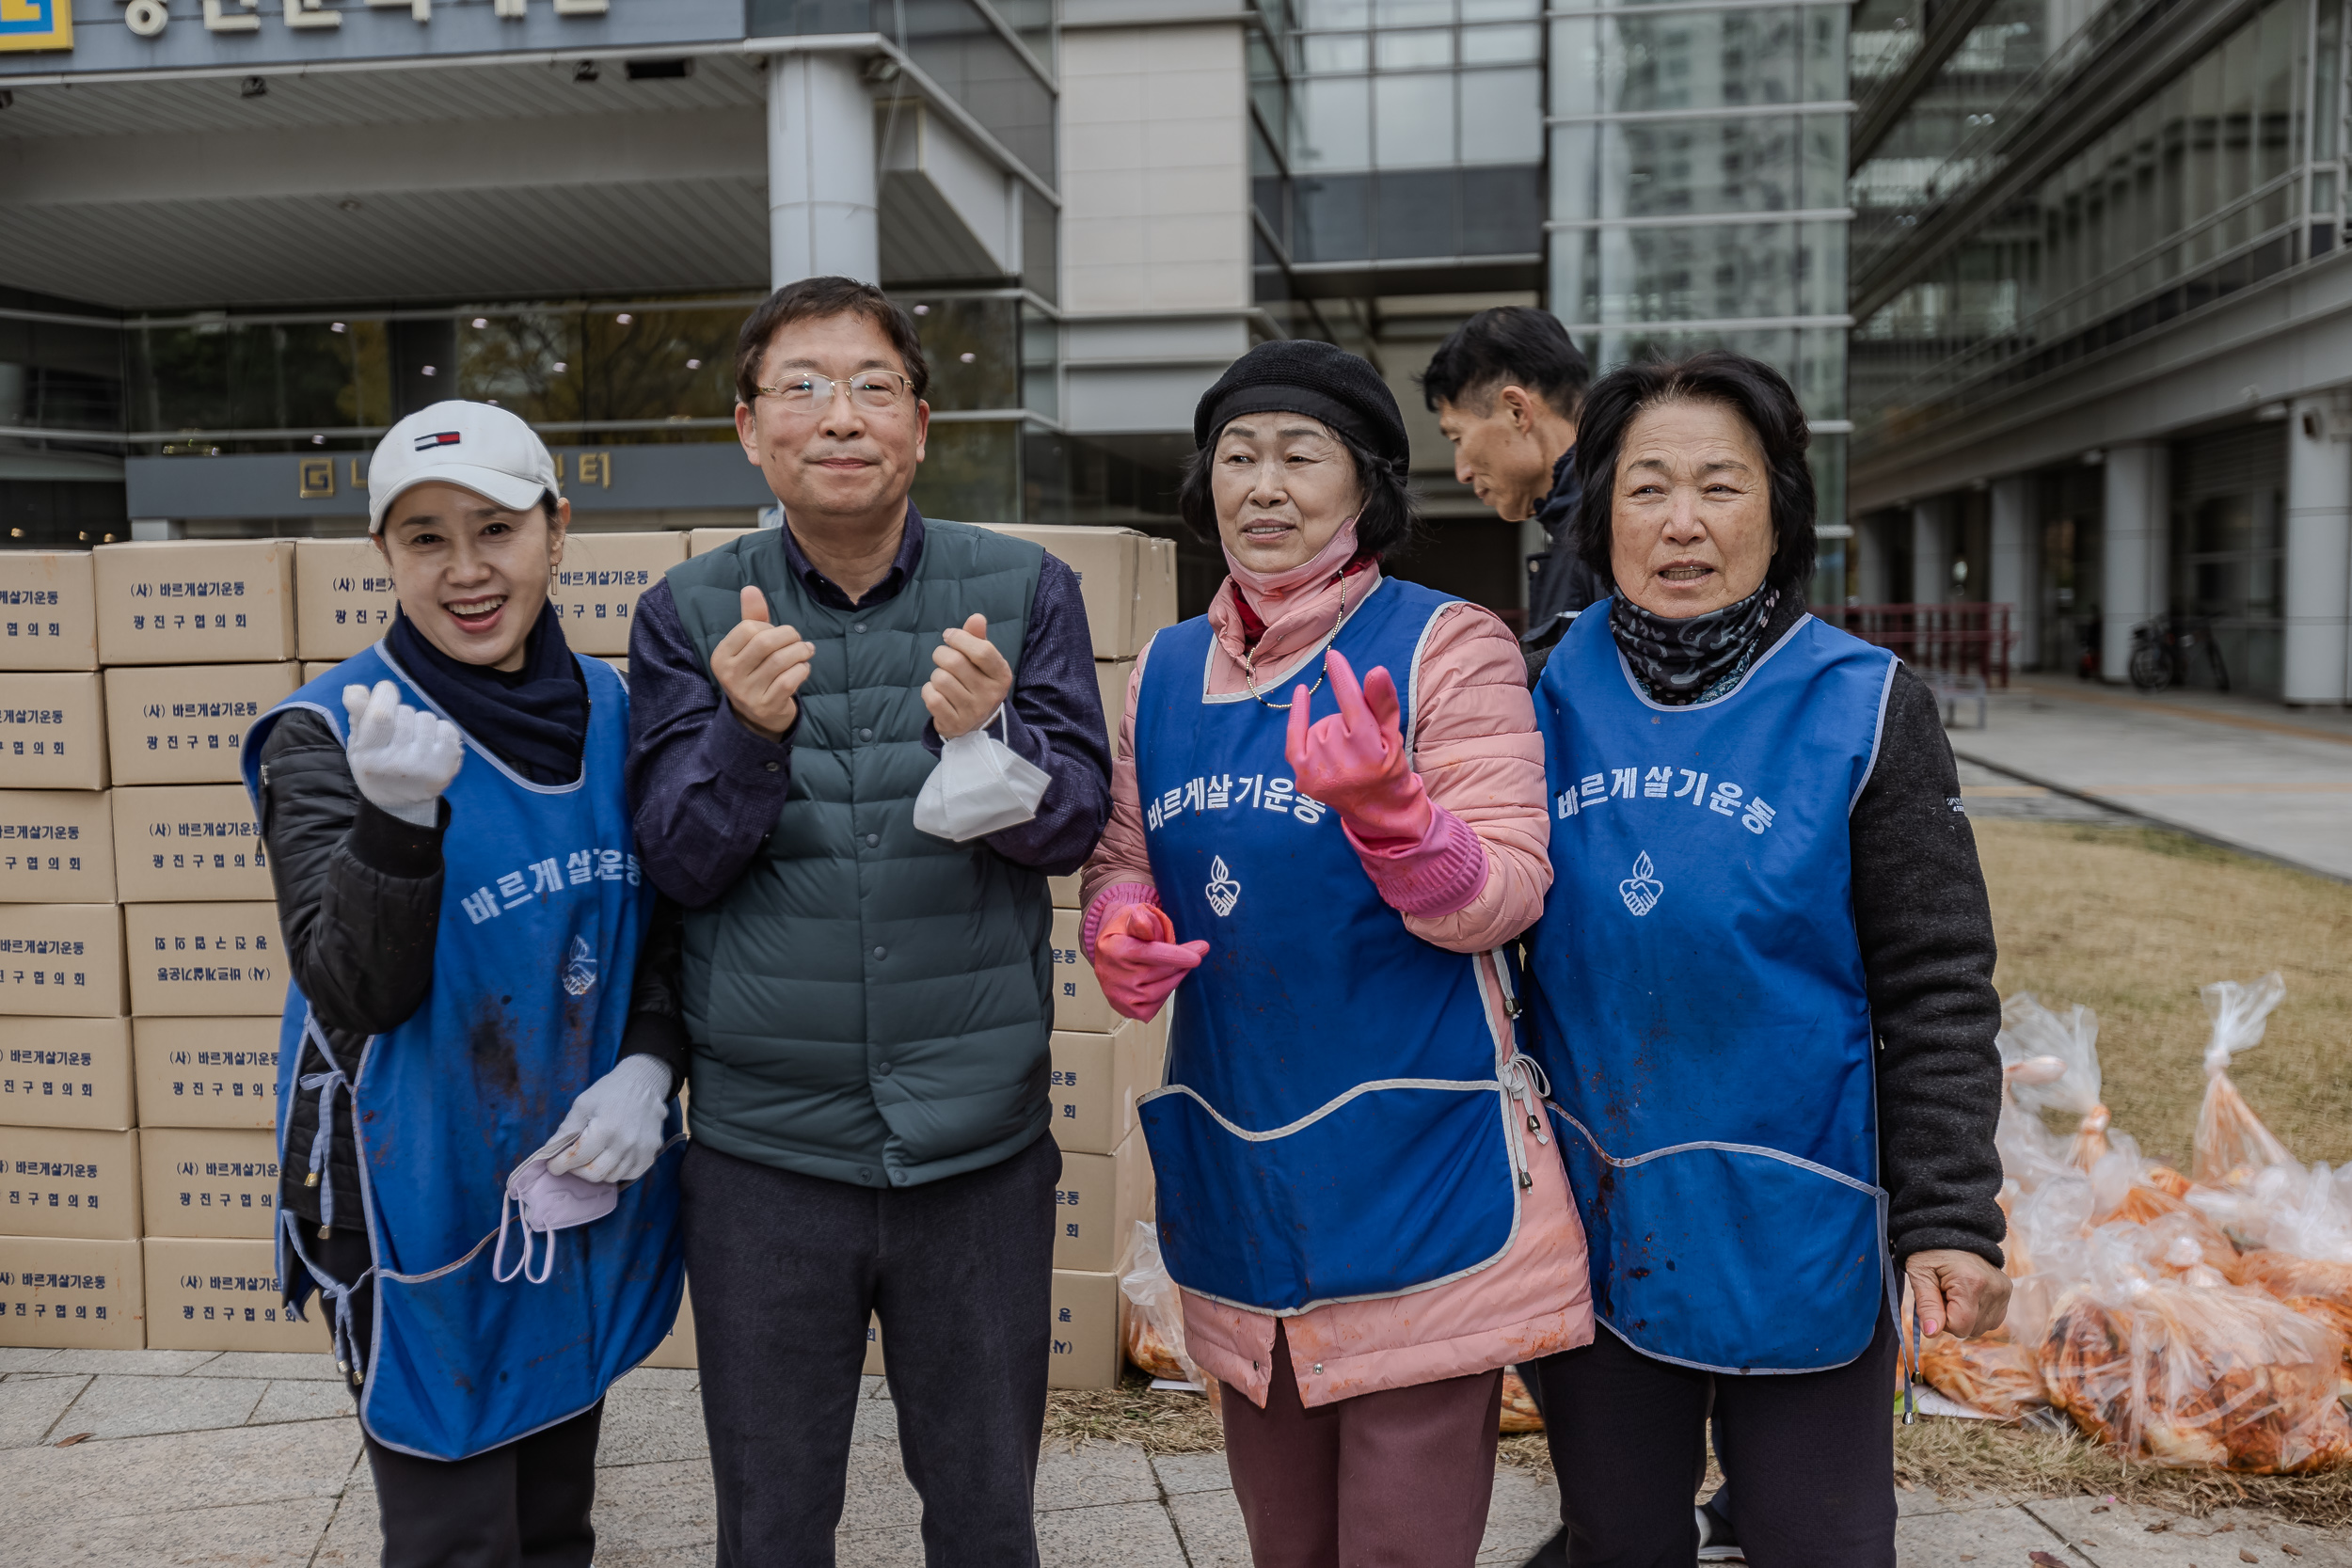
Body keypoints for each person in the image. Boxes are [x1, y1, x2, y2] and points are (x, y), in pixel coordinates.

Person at [624, 276, 1113, 1565]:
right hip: (763, 1157)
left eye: (873, 386)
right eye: (802, 386)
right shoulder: (686, 611)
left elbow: (1070, 827)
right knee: (774, 1521)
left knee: (987, 1513)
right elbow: (673, 859)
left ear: (921, 422)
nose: (839, 415)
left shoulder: (1025, 588)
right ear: (748, 428)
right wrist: (745, 732)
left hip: (979, 1150)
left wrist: (991, 734)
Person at [1081, 340, 1593, 1568]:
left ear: (1365, 487)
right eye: (1237, 456)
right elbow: (1124, 858)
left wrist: (1393, 813)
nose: (1263, 485)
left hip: (1417, 1176)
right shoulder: (1160, 670)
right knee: (1284, 1545)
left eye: (1300, 456)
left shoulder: (1444, 645)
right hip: (1246, 1175)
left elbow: (1510, 890)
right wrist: (1118, 929)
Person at [1518, 351, 2011, 1568]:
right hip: (1600, 1210)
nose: (1682, 521)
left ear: (1779, 508)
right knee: (1617, 1537)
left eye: (1720, 485)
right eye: (1646, 487)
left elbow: (1938, 978)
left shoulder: (1865, 704)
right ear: (1599, 512)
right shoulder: (1535, 687)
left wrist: (1951, 1213)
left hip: (1805, 1220)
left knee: (1822, 1538)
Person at [244, 400, 688, 1567]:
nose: (466, 570)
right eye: (425, 537)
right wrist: (392, 824)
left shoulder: (620, 712)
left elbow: (666, 930)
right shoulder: (330, 732)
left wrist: (651, 1061)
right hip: (407, 1186)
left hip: (565, 1174)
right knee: (456, 1536)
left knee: (553, 1515)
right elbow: (353, 986)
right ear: (384, 555)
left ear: (557, 529)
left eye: (494, 527)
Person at [1422, 307, 1599, 678]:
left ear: (1517, 411)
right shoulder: (1583, 517)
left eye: (1458, 437)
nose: (1462, 472)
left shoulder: (1615, 520)